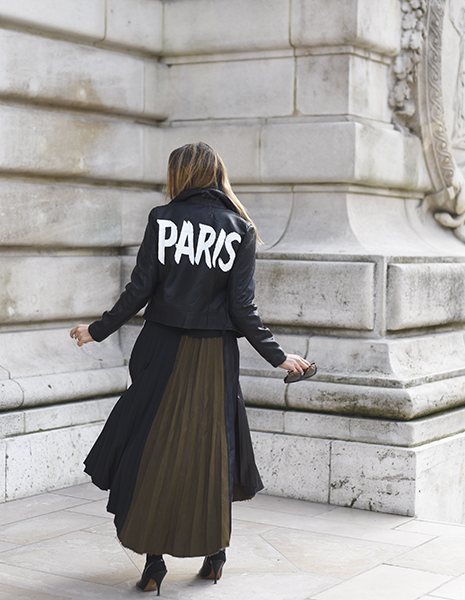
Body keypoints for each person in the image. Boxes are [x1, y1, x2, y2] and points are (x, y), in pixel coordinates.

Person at [69, 142, 312, 595]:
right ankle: (215, 557)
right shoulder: (240, 228)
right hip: (212, 358)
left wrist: (97, 331)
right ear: (216, 173)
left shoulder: (162, 220)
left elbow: (138, 291)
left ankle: (153, 566)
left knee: (149, 452)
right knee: (212, 455)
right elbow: (243, 308)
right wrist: (278, 356)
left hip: (161, 350)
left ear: (180, 174)